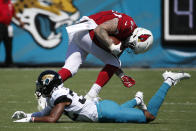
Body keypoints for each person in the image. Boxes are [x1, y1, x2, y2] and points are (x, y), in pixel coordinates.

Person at [12, 70, 190, 123]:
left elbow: (52, 119)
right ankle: (137, 101)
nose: (39, 88)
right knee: (122, 112)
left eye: (41, 85)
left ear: (50, 86)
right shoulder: (55, 96)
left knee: (149, 116)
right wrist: (28, 115)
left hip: (104, 111)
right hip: (102, 109)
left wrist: (31, 121)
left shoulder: (59, 97)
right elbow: (46, 112)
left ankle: (168, 80)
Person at [57, 10, 153, 101]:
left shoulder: (127, 36)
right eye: (132, 45)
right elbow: (99, 29)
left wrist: (122, 75)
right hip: (87, 28)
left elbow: (114, 59)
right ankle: (90, 97)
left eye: (132, 48)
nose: (129, 47)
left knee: (70, 68)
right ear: (136, 35)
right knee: (114, 62)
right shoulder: (127, 25)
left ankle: (45, 90)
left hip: (79, 31)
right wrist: (111, 45)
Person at [0, 0, 25, 67]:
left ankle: (9, 62)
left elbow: (13, 14)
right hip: (0, 25)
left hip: (8, 26)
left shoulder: (9, 3)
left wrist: (20, 21)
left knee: (9, 45)